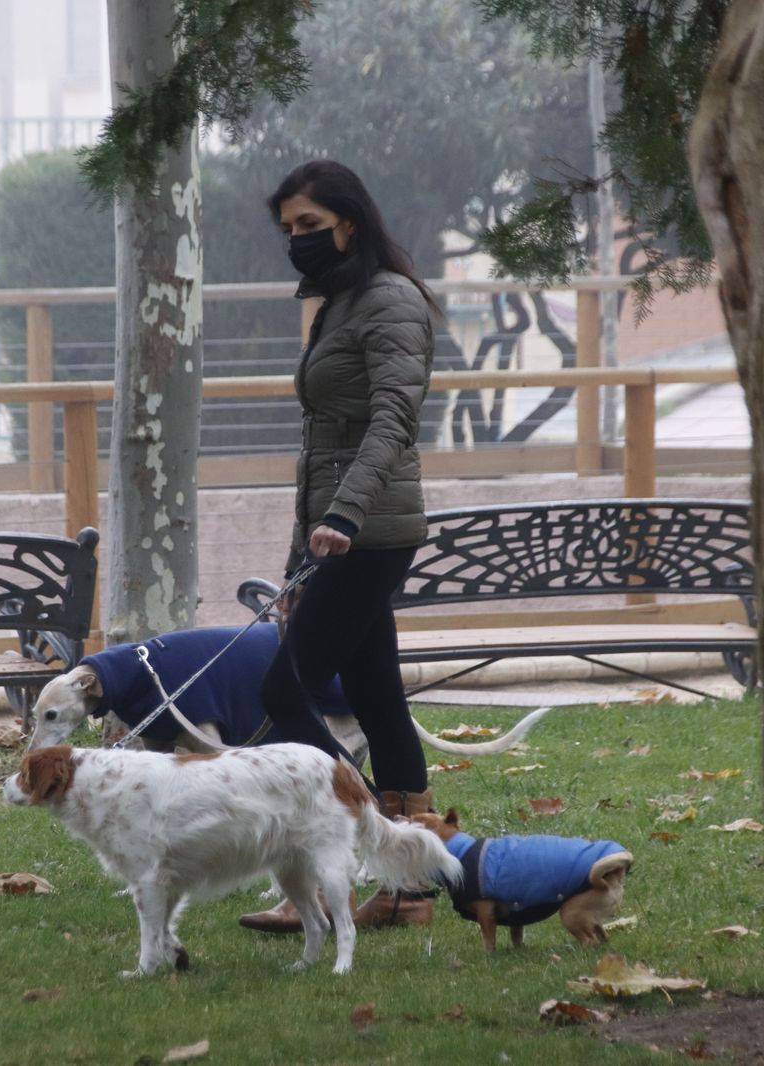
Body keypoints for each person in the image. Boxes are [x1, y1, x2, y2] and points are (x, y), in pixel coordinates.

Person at [238, 160, 441, 934]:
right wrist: (301, 557)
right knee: (378, 699)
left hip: (373, 530)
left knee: (282, 692)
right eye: (289, 229)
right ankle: (412, 889)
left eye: (310, 226)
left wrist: (347, 519)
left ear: (350, 222)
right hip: (340, 531)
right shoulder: (343, 302)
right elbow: (320, 445)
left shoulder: (388, 301)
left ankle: (353, 854)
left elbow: (394, 419)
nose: (297, 241)